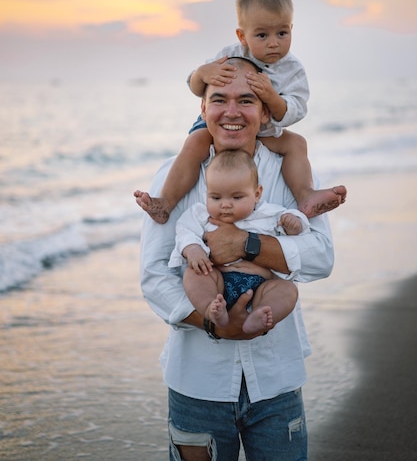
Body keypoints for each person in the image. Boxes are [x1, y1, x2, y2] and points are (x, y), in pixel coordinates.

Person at [136, 57, 334, 460]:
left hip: (276, 380)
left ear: (265, 112)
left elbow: (321, 257)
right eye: (218, 99)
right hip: (197, 382)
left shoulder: (292, 173)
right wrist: (215, 326)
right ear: (202, 109)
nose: (231, 112)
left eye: (246, 100)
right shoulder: (174, 177)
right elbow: (154, 276)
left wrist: (248, 244)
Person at [135, 0, 346, 225]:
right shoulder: (229, 54)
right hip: (217, 131)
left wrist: (272, 98)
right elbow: (195, 87)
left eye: (282, 32)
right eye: (262, 35)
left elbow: (295, 111)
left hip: (265, 129)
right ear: (242, 36)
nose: (273, 42)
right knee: (195, 143)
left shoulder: (293, 69)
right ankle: (166, 202)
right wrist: (202, 73)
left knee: (297, 143)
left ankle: (305, 195)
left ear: (291, 28)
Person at [169, 149, 310, 335]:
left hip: (261, 286)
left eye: (236, 197)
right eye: (216, 197)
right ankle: (211, 309)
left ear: (257, 194)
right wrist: (193, 249)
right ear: (207, 194)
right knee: (194, 275)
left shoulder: (268, 214)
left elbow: (295, 226)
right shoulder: (201, 214)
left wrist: (294, 224)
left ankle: (262, 313)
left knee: (287, 290)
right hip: (218, 282)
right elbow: (185, 230)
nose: (225, 204)